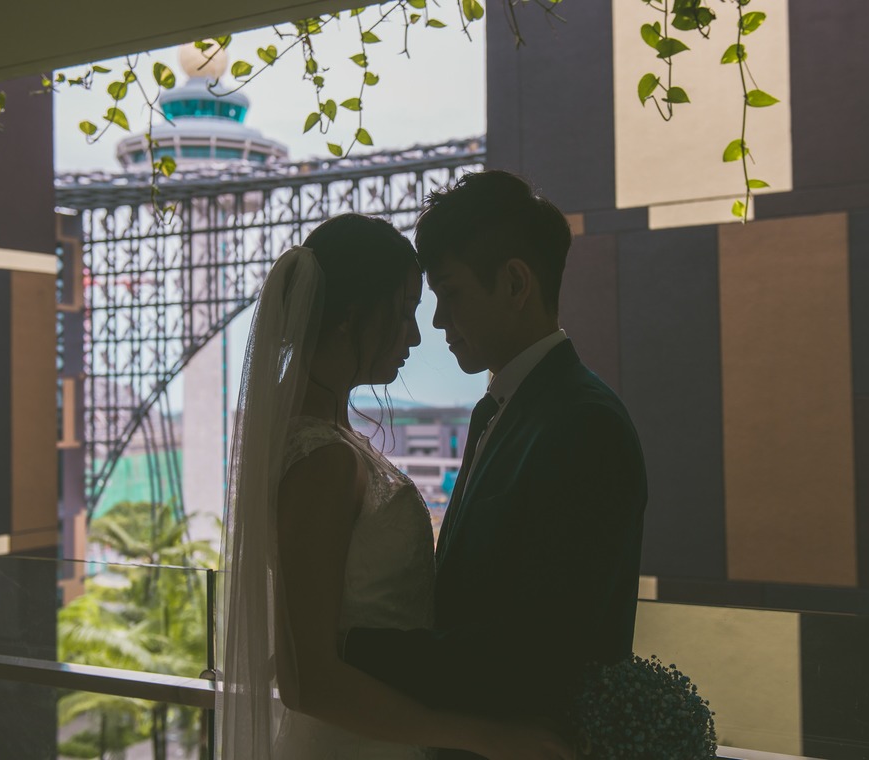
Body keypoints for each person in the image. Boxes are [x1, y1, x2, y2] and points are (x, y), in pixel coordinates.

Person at [218, 213, 573, 759]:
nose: (416, 333)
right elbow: (306, 680)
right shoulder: (323, 462)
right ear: (349, 319)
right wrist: (486, 737)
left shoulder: (324, 441)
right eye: (404, 310)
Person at [340, 172, 649, 758]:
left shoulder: (584, 426)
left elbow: (533, 651)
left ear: (514, 283)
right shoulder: (508, 411)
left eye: (450, 293)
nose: (437, 321)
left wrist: (341, 647)